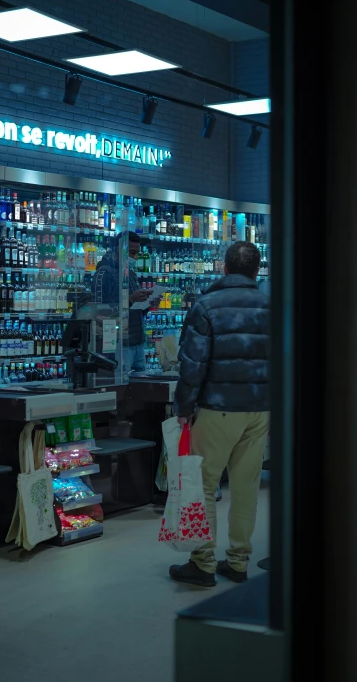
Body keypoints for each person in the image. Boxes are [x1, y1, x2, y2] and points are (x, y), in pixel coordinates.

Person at [169, 241, 270, 587]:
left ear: (224, 268)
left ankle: (203, 561)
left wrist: (183, 408)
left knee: (204, 484)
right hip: (259, 410)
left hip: (218, 408)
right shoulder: (271, 307)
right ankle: (239, 561)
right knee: (246, 487)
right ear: (257, 271)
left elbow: (192, 364)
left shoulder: (207, 305)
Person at [91, 231, 151, 372]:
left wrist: (149, 303)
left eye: (137, 253)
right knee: (122, 390)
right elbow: (100, 314)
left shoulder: (131, 274)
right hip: (119, 344)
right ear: (119, 249)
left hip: (137, 343)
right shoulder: (103, 274)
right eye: (131, 252)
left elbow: (137, 310)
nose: (135, 257)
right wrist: (130, 299)